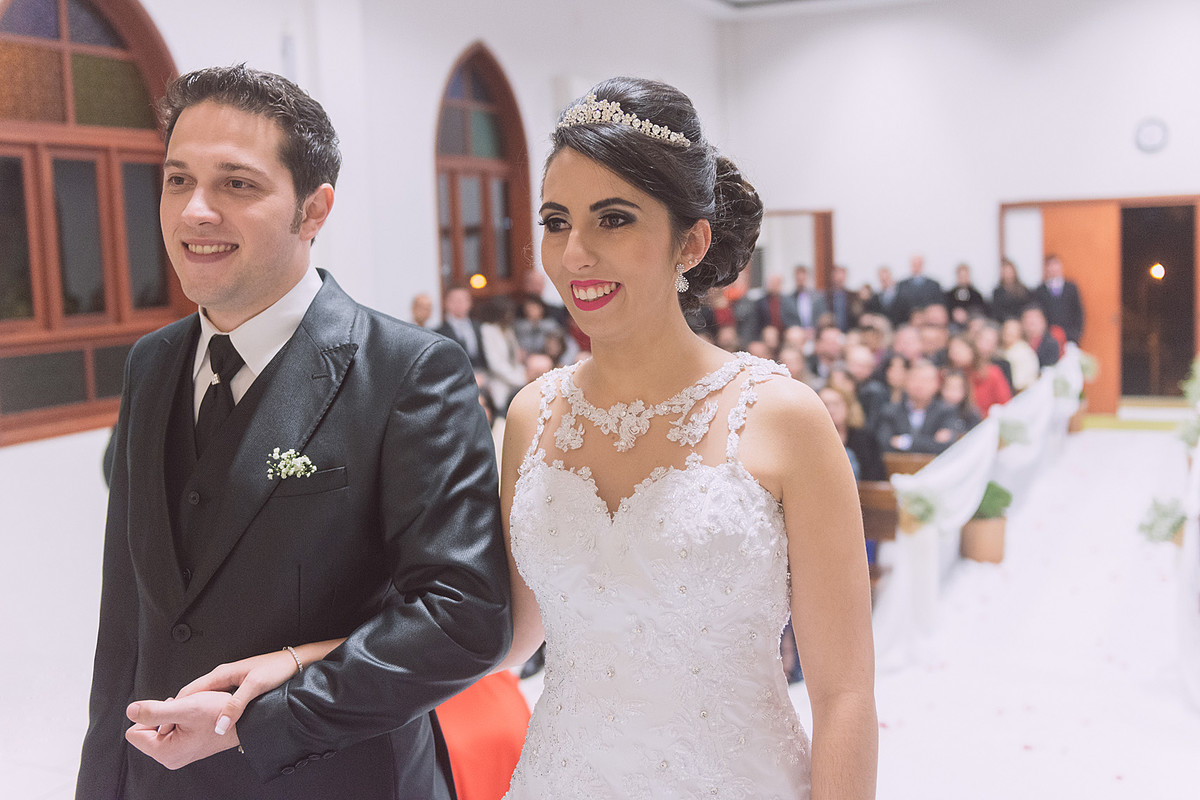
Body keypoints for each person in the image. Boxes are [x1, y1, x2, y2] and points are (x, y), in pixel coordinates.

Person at [76, 65, 511, 800]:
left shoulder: (408, 371)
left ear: (314, 210)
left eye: (237, 185)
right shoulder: (151, 365)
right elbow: (127, 620)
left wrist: (265, 718)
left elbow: (462, 618)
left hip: (341, 778)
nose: (194, 213)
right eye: (178, 180)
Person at [499, 77, 876, 798]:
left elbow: (845, 694)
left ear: (691, 242)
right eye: (555, 220)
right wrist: (318, 659)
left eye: (613, 219)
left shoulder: (784, 418)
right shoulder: (530, 416)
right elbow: (515, 634)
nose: (574, 254)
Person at [876, 358, 957, 454]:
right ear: (906, 382)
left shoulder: (946, 412)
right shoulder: (890, 412)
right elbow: (884, 444)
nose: (920, 385)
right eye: (915, 379)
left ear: (936, 384)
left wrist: (906, 442)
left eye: (925, 380)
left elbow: (946, 446)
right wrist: (931, 441)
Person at [1033, 253, 1085, 344]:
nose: (1053, 269)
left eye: (1055, 265)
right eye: (1050, 266)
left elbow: (1078, 312)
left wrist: (1076, 334)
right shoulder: (1040, 291)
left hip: (1069, 335)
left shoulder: (1071, 288)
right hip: (1048, 336)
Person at [437, 285, 490, 370]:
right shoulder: (439, 333)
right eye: (455, 300)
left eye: (463, 300)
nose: (459, 304)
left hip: (483, 376)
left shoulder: (479, 327)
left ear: (470, 303)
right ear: (446, 303)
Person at [1001, 317, 1040, 392]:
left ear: (1019, 332)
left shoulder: (1022, 352)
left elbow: (1019, 384)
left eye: (1012, 331)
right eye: (1006, 329)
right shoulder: (1006, 350)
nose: (1008, 332)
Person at [944, 262, 988, 328]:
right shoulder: (949, 295)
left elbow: (980, 310)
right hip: (952, 323)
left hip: (971, 323)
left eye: (965, 276)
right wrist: (954, 313)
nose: (963, 279)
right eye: (961, 276)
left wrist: (967, 315)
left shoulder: (976, 295)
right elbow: (946, 309)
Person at [990, 257, 1030, 322]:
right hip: (1004, 322)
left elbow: (1026, 308)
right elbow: (997, 311)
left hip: (1020, 321)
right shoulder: (997, 292)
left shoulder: (1023, 290)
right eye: (1005, 272)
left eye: (1009, 271)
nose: (1007, 274)